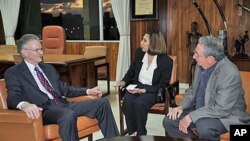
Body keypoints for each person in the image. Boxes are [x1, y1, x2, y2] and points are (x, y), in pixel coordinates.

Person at [4, 34, 119, 141]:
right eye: (37, 50)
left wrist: (87, 90)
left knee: (102, 103)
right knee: (67, 114)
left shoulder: (48, 68)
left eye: (41, 49)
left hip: (64, 105)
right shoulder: (14, 73)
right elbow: (12, 98)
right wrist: (25, 105)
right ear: (25, 52)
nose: (41, 53)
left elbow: (64, 90)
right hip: (44, 110)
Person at [163, 36, 250, 141]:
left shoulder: (229, 73)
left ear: (210, 59)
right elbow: (192, 90)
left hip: (226, 115)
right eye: (195, 52)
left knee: (204, 127)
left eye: (197, 54)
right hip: (202, 109)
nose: (194, 57)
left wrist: (191, 116)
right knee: (169, 121)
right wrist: (181, 107)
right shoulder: (201, 65)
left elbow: (221, 109)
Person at [116, 29, 173, 136]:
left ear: (154, 43)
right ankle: (133, 132)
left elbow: (163, 84)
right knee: (127, 101)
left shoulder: (166, 61)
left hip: (153, 89)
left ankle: (141, 134)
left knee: (139, 103)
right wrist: (124, 80)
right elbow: (132, 70)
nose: (141, 42)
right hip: (137, 85)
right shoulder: (139, 53)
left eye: (144, 40)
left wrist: (144, 90)